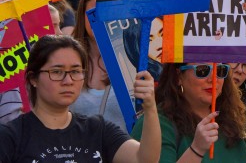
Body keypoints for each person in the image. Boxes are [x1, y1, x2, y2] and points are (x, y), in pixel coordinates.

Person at [0, 35, 161, 162]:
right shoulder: (11, 137)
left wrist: (150, 107)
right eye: (57, 72)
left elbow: (144, 159)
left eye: (76, 71)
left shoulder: (97, 129)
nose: (68, 81)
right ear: (33, 78)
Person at [132, 62, 246, 162]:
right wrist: (196, 150)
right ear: (178, 77)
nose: (213, 79)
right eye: (202, 70)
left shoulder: (232, 120)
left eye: (220, 70)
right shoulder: (156, 124)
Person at [70, 0, 127, 131]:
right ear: (82, 16)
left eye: (107, 13)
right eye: (94, 13)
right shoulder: (68, 60)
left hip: (123, 151)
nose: (100, 19)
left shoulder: (131, 60)